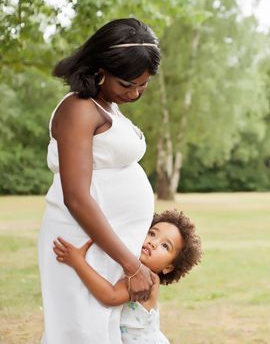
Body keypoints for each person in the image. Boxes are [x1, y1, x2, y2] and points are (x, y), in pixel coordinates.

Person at [38, 18, 161, 343]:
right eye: (127, 84)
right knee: (80, 332)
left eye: (143, 85)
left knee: (102, 333)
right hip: (82, 241)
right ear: (100, 68)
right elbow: (76, 196)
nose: (135, 93)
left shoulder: (107, 104)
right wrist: (131, 265)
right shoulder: (78, 109)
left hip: (109, 245)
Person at [52, 209, 202, 344]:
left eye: (165, 246)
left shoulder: (149, 280)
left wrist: (78, 262)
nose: (153, 242)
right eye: (152, 233)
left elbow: (110, 296)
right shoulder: (134, 269)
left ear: (168, 267)